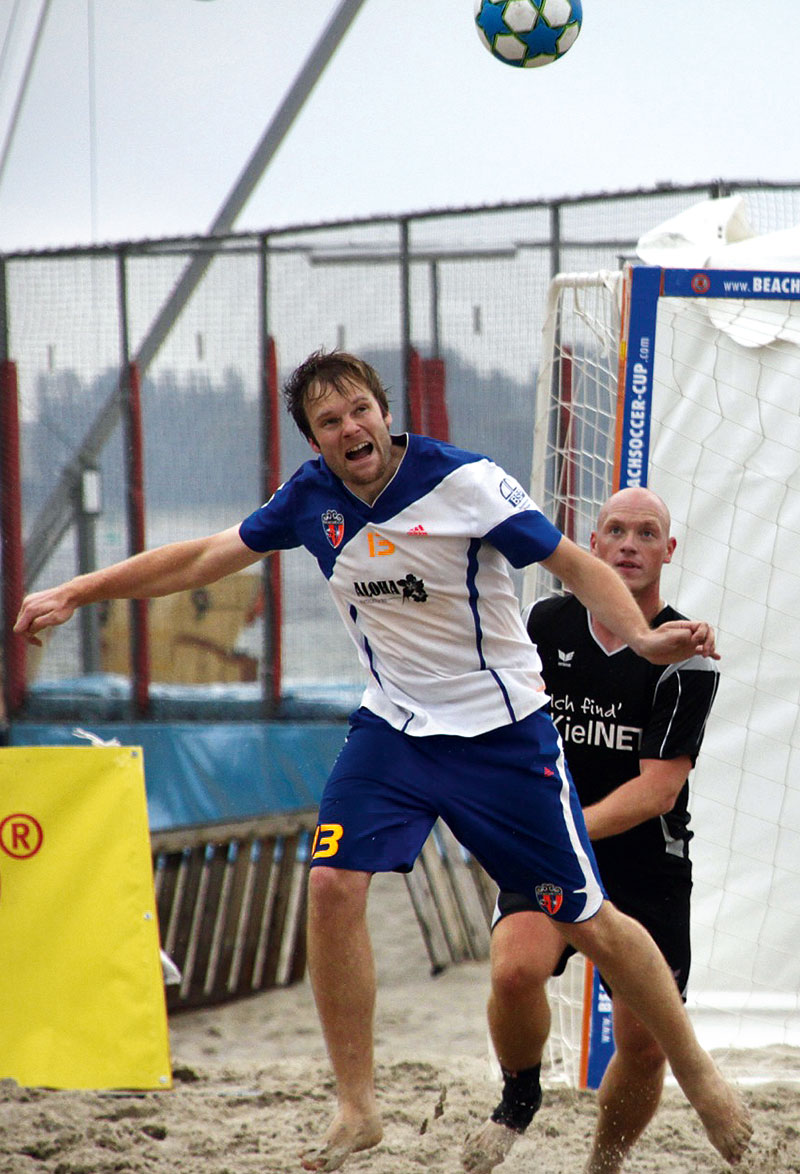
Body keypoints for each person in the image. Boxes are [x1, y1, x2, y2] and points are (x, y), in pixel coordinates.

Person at [14, 351, 751, 1174]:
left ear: (383, 411)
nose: (349, 429)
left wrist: (646, 640)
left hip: (501, 732)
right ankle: (358, 1106)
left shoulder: (464, 481)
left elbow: (572, 567)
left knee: (590, 918)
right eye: (330, 422)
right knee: (330, 884)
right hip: (394, 728)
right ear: (316, 440)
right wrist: (77, 592)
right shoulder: (309, 499)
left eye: (360, 410)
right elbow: (198, 558)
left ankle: (698, 1072)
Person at [462, 487, 722, 1174]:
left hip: (644, 860)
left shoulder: (685, 649)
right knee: (515, 972)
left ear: (669, 551)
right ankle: (519, 1098)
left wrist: (562, 825)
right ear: (594, 546)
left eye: (647, 532)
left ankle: (603, 1163)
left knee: (643, 1044)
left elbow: (657, 789)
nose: (630, 543)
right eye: (616, 531)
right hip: (549, 847)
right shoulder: (545, 622)